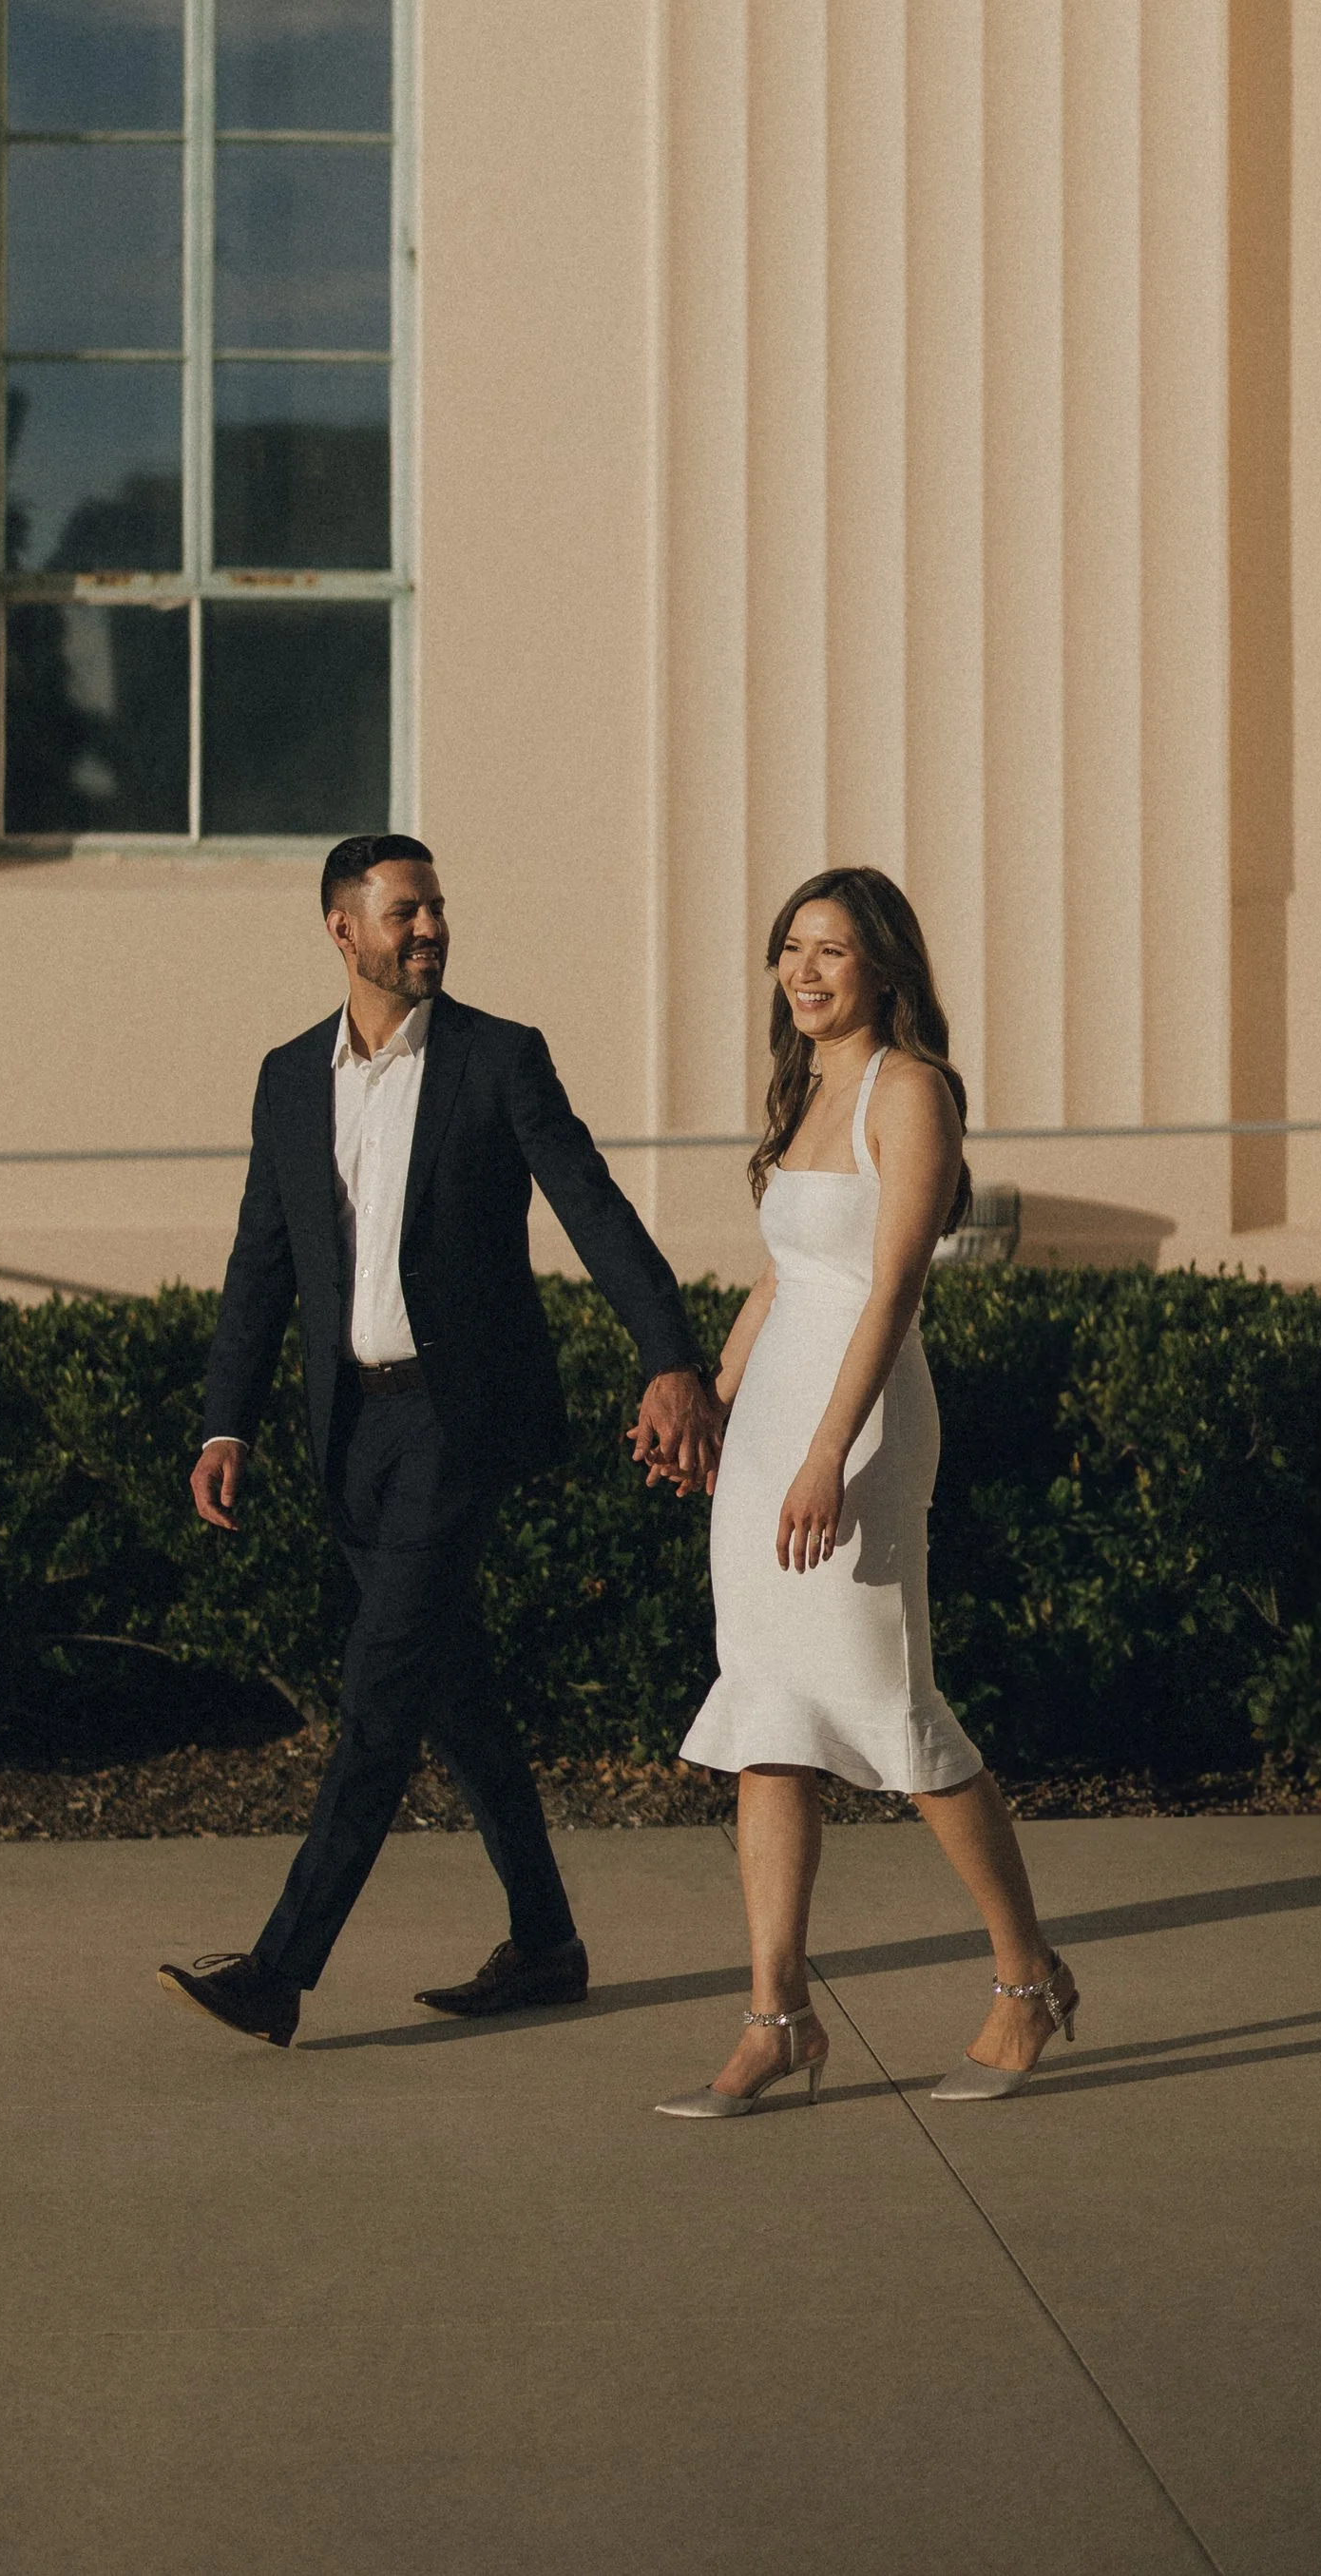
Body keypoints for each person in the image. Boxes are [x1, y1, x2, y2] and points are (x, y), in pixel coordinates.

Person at [158, 834, 721, 2047]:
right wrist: (226, 1419)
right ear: (340, 929)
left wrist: (669, 1357)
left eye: (437, 910)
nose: (429, 930)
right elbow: (263, 1259)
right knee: (452, 1698)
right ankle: (548, 1941)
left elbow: (594, 1207)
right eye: (404, 913)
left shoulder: (495, 1060)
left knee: (377, 1695)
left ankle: (279, 1969)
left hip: (455, 1425)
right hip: (346, 1429)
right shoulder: (286, 1078)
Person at [657, 866, 1079, 2116]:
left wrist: (828, 1449)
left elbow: (892, 1289)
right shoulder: (809, 1090)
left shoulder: (910, 1090)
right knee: (770, 1716)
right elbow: (786, 1273)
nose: (804, 970)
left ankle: (1026, 1976)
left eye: (830, 949)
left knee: (892, 1706)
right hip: (779, 1424)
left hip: (865, 1421)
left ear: (882, 966)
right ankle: (776, 2016)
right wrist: (715, 1403)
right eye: (791, 947)